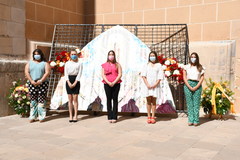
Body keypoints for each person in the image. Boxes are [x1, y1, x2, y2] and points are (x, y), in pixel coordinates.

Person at [25, 49, 50, 123]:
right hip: (32, 83)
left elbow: (47, 72)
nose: (37, 56)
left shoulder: (45, 63)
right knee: (33, 100)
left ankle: (41, 116)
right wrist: (31, 81)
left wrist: (41, 81)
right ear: (33, 55)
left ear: (41, 55)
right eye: (35, 54)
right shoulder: (29, 63)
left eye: (38, 54)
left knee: (41, 100)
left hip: (43, 83)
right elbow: (26, 72)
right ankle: (32, 116)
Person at [141, 51, 164, 124]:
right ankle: (148, 116)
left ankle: (153, 116)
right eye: (151, 55)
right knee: (148, 100)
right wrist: (147, 84)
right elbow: (143, 76)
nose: (152, 57)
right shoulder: (146, 65)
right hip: (147, 85)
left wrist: (155, 84)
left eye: (153, 55)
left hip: (155, 86)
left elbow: (160, 76)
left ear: (156, 56)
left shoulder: (159, 65)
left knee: (154, 101)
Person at [183, 52, 205, 126]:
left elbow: (202, 78)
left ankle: (196, 120)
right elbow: (184, 77)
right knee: (189, 103)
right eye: (192, 57)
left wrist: (197, 86)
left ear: (197, 58)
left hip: (197, 84)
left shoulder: (200, 67)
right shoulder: (186, 67)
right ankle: (190, 119)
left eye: (194, 57)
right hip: (188, 84)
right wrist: (189, 86)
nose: (193, 58)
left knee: (196, 103)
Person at [101, 50, 122, 123]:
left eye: (112, 54)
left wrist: (114, 82)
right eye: (109, 54)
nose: (111, 56)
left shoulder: (117, 64)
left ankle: (114, 116)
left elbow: (120, 74)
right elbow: (103, 75)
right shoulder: (104, 65)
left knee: (115, 99)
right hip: (107, 84)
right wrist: (108, 82)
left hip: (116, 84)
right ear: (108, 56)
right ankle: (109, 116)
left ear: (114, 56)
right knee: (108, 99)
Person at [64, 50, 82, 123]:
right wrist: (68, 82)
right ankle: (70, 115)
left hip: (76, 81)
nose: (73, 55)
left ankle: (75, 115)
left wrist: (75, 82)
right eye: (72, 54)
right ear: (70, 55)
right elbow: (65, 73)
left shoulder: (79, 63)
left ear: (77, 55)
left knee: (75, 99)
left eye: (75, 54)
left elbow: (80, 73)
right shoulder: (67, 63)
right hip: (69, 80)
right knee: (70, 99)